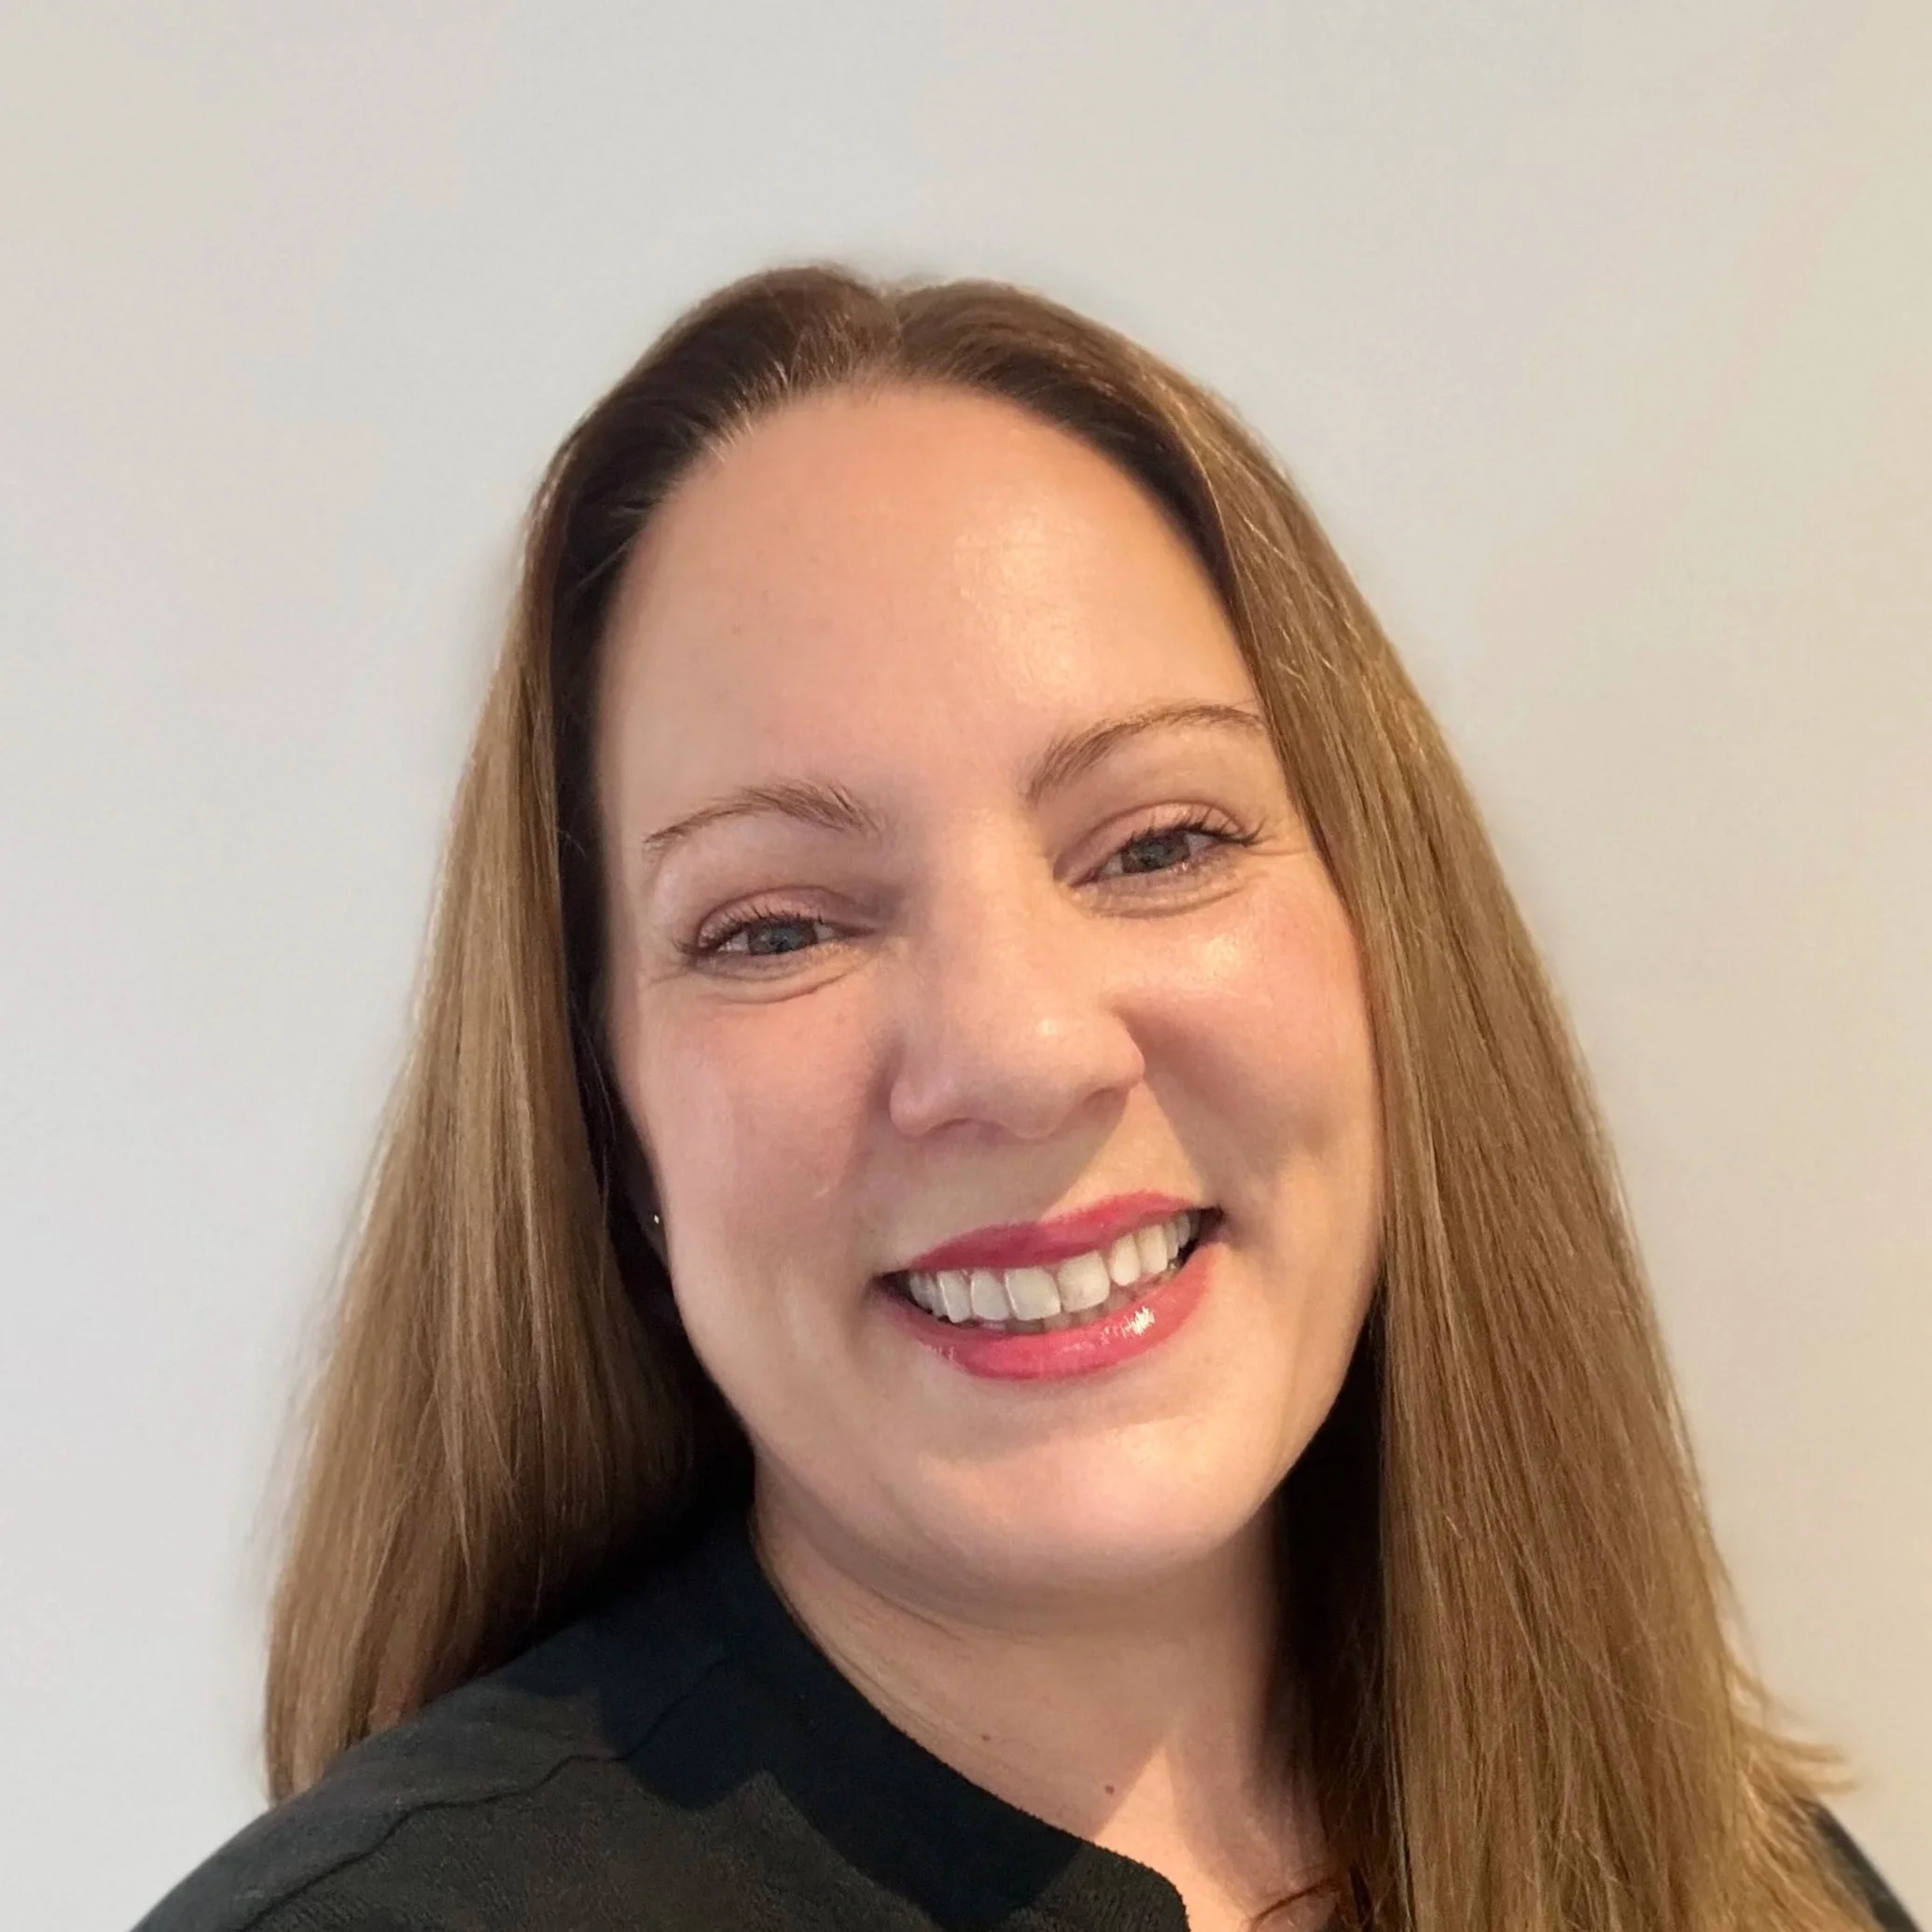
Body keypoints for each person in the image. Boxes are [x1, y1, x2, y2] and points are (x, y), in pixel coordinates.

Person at [133, 266, 1916, 1932]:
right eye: (772, 927)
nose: (1016, 1049)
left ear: (1392, 944)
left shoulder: (1747, 1870)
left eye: (1159, 842)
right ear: (602, 1110)